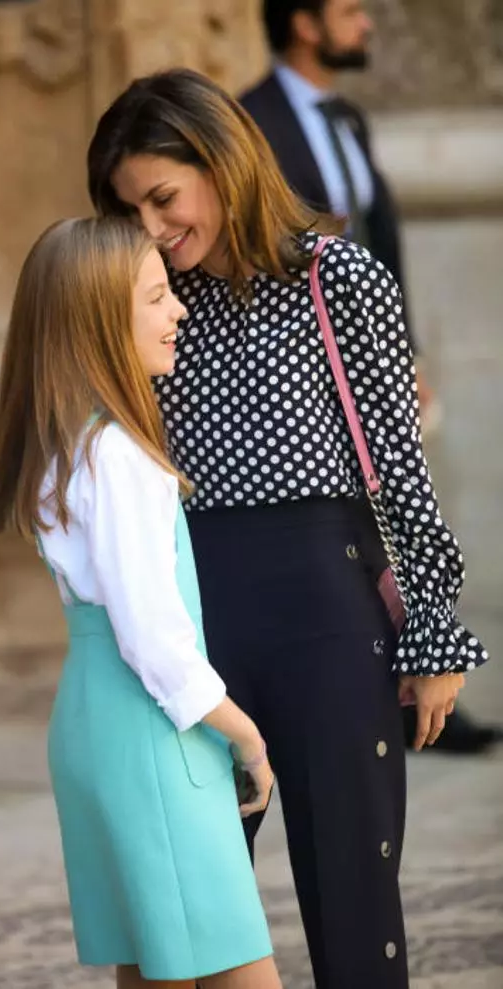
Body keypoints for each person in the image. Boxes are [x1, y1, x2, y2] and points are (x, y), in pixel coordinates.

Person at [87, 68, 489, 989]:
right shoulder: (139, 299)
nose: (151, 225)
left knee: (354, 912)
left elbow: (399, 465)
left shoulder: (337, 277)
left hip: (328, 621)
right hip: (193, 633)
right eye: (129, 209)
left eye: (163, 196)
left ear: (222, 164)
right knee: (182, 918)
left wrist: (432, 630)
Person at [0, 216, 283, 989]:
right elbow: (152, 639)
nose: (179, 310)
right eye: (156, 297)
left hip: (96, 726)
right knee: (236, 966)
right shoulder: (117, 456)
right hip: (153, 735)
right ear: (99, 321)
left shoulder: (68, 447)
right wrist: (246, 735)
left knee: (154, 965)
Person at [241, 0, 501, 756]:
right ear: (304, 23)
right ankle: (373, 690)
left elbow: (382, 247)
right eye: (351, 10)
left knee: (413, 510)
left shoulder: (350, 118)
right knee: (352, 533)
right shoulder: (250, 122)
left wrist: (406, 354)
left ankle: (430, 679)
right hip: (308, 380)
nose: (369, 24)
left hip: (380, 361)